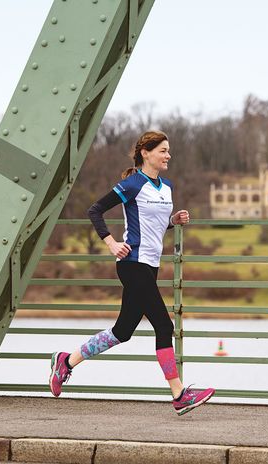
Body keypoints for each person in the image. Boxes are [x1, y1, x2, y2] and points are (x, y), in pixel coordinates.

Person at [49, 130, 215, 415]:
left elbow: (154, 226)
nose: (168, 155)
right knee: (163, 326)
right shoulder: (132, 184)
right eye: (163, 150)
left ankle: (66, 360)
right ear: (146, 153)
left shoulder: (167, 187)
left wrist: (173, 221)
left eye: (168, 150)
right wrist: (111, 243)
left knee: (122, 331)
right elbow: (95, 210)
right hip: (131, 264)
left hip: (150, 266)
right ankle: (179, 395)